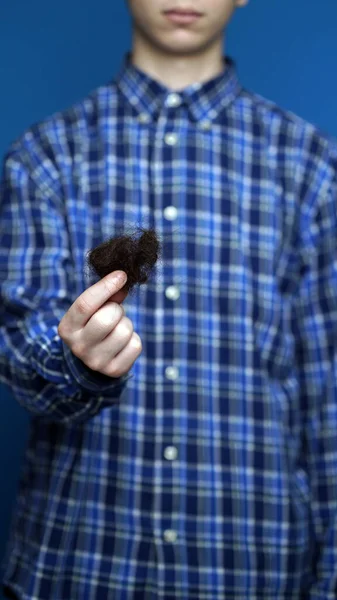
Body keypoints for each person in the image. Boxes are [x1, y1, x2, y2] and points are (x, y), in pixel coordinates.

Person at [1, 0, 337, 597]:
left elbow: (329, 396)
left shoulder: (311, 169)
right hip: (79, 567)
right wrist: (74, 360)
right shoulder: (43, 158)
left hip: (254, 565)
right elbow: (21, 354)